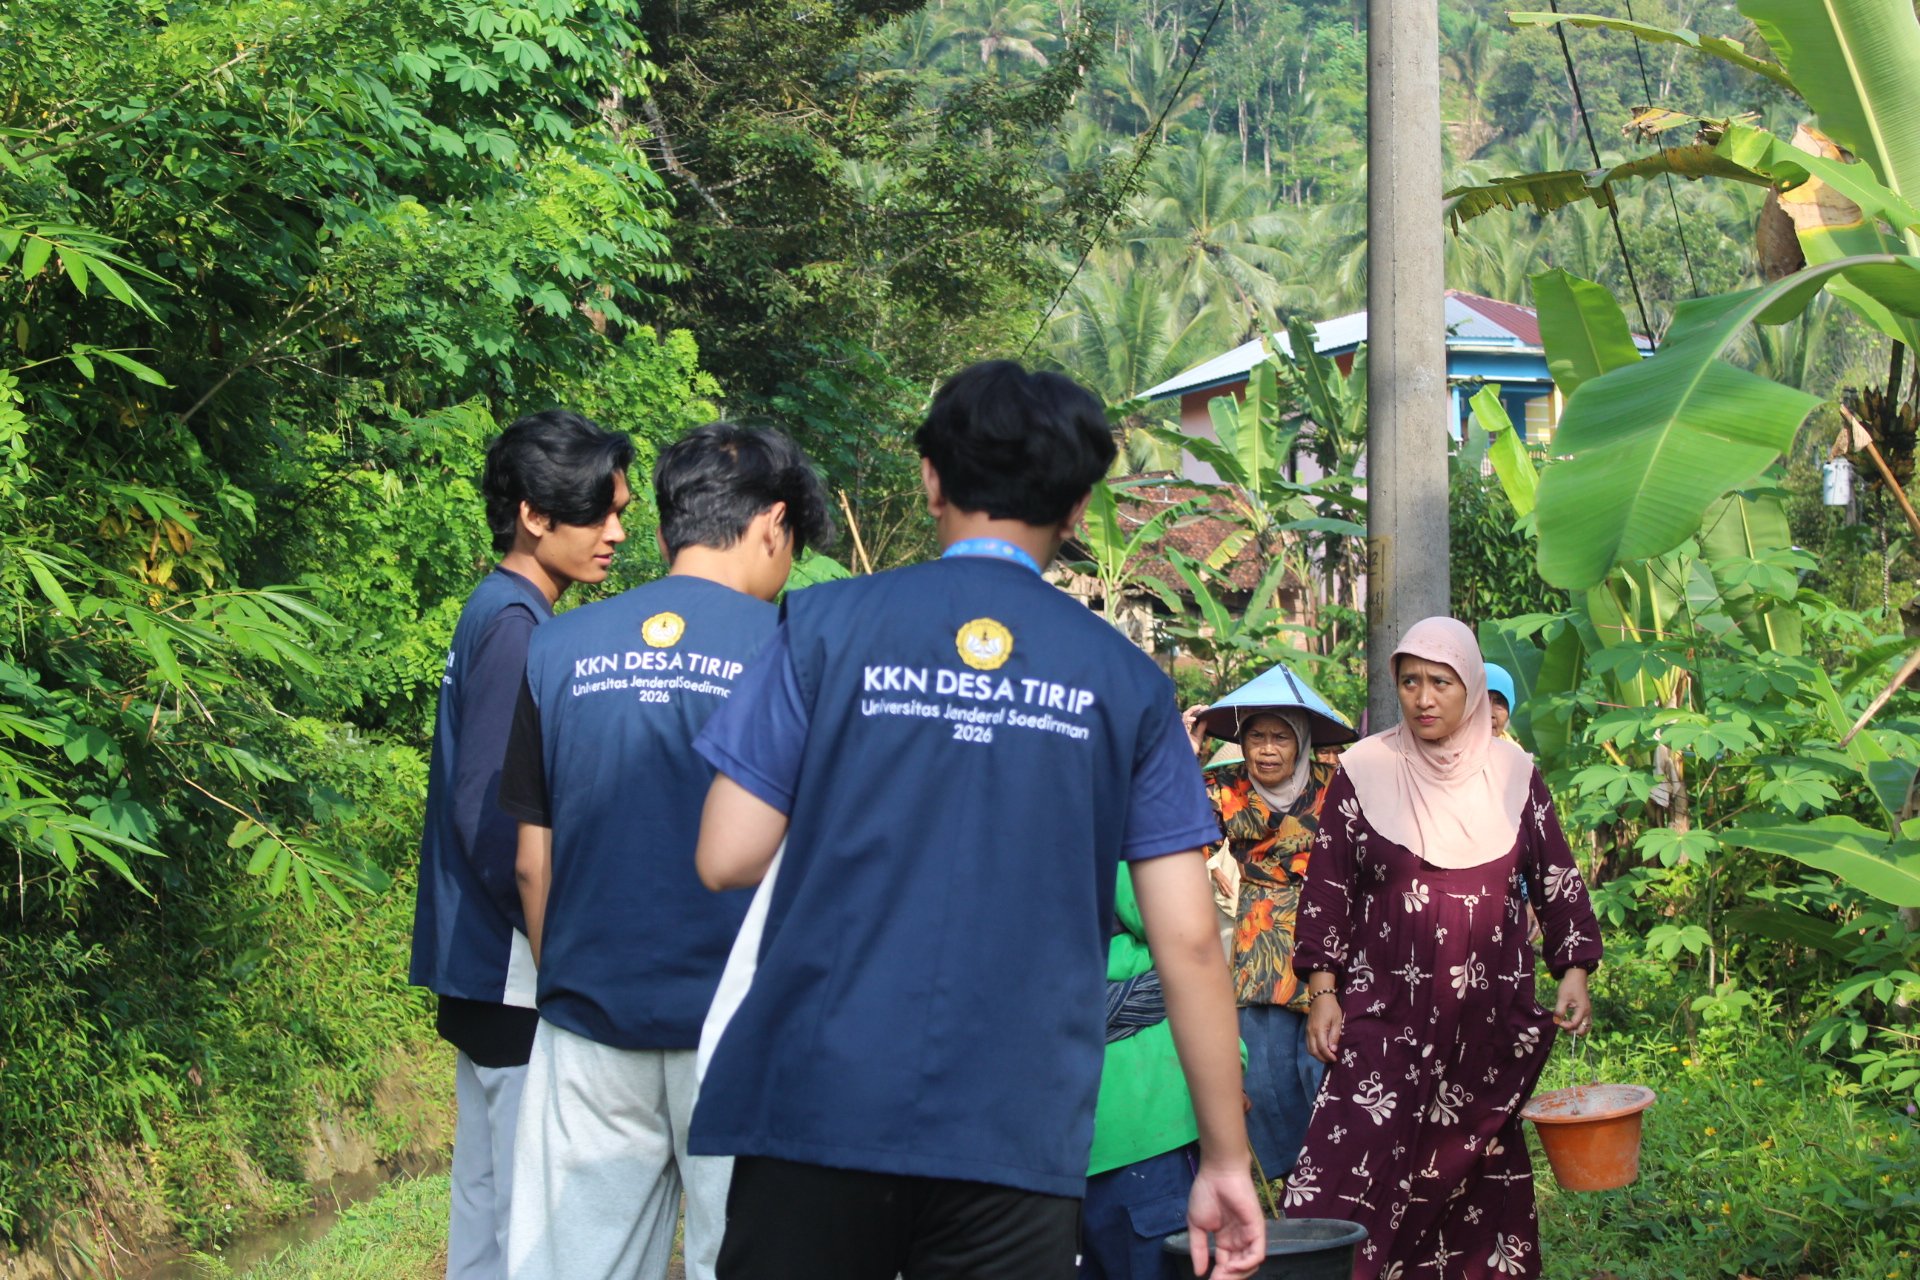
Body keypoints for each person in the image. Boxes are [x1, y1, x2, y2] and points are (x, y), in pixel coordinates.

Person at [688, 360, 1264, 1280]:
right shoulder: (1126, 685)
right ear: (1077, 510)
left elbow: (726, 853)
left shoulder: (826, 626)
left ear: (930, 479)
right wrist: (1228, 1160)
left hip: (814, 1102)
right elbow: (1190, 941)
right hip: (1014, 1130)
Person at [498, 423, 832, 1280]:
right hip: (743, 1036)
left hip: (587, 1025)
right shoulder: (799, 655)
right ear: (772, 525)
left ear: (660, 532)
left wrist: (572, 980)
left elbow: (531, 861)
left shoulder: (557, 649)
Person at [1285, 618, 1602, 1280]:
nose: (1423, 698)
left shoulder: (1515, 774)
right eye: (1409, 682)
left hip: (1487, 1023)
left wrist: (1573, 970)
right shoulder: (1364, 770)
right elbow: (1327, 891)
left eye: (1440, 682)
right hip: (1386, 1015)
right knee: (1348, 1169)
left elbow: (1557, 879)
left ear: (1472, 687)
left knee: (1474, 1178)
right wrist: (1322, 991)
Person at [409, 409, 635, 1280]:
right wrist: (553, 940)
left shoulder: (498, 610)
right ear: (534, 515)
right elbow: (491, 815)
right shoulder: (516, 627)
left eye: (618, 513)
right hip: (511, 968)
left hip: (481, 961)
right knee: (527, 1216)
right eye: (596, 513)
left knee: (487, 1201)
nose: (614, 534)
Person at [1181, 668, 1353, 1183]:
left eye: (1281, 736)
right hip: (1260, 952)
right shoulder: (1220, 788)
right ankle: (1291, 1187)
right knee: (1268, 1075)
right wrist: (1186, 759)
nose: (1268, 749)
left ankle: (1344, 1180)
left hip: (1333, 938)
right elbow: (1179, 829)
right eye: (1257, 736)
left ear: (1301, 742)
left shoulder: (1337, 786)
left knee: (1331, 1065)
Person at [1486, 662, 1516, 739]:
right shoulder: (1451, 746)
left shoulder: (1512, 750)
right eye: (1482, 701)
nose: (1490, 714)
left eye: (1499, 703)